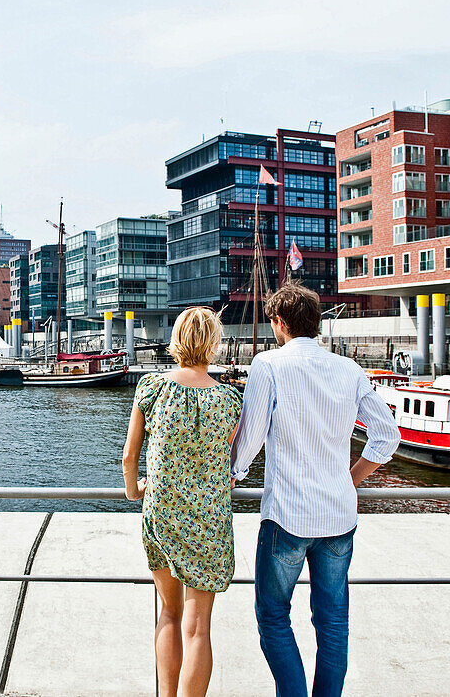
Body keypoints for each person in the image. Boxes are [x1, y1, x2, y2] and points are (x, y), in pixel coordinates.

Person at [231, 282, 400, 697]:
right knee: (334, 622)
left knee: (273, 617)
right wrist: (351, 479)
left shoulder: (268, 365)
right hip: (339, 516)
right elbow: (387, 436)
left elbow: (250, 439)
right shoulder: (348, 369)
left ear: (279, 322)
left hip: (287, 515)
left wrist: (232, 472)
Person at [122, 306, 242, 697]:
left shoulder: (151, 388)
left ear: (176, 341)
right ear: (214, 344)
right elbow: (223, 457)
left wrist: (132, 490)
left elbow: (129, 456)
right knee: (198, 628)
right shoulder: (229, 400)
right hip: (208, 520)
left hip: (162, 512)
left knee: (169, 615)